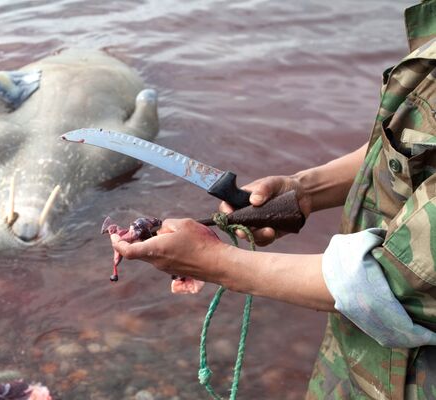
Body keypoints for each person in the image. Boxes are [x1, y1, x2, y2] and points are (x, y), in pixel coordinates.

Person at [112, 1, 436, 399]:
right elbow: (413, 141)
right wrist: (304, 190)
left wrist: (214, 263)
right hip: (360, 354)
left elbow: (400, 281)